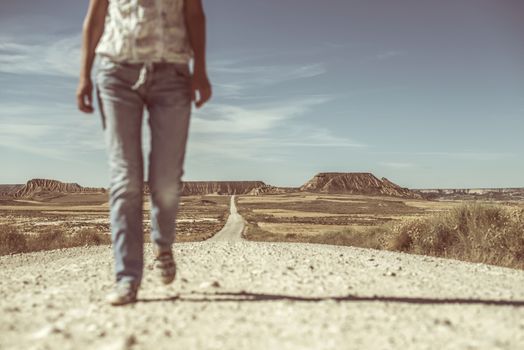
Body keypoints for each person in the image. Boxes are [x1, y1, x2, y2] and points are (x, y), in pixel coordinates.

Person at [76, 0, 211, 306]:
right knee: (126, 178)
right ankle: (127, 277)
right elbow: (96, 16)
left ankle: (162, 246)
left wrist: (200, 69)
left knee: (165, 180)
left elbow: (194, 13)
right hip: (115, 71)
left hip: (173, 73)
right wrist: (84, 75)